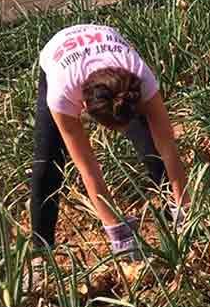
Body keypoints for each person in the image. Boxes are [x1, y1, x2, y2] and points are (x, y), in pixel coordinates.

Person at [31, 24, 190, 262]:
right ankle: (41, 252)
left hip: (111, 61)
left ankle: (174, 221)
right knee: (47, 165)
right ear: (83, 109)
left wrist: (185, 206)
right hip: (59, 53)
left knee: (153, 152)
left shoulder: (140, 78)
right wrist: (116, 230)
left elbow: (168, 146)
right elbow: (88, 169)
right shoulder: (62, 94)